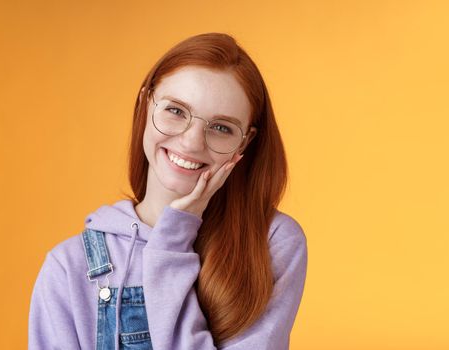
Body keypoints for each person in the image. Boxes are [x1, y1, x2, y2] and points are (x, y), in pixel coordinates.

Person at [28, 33, 308, 350]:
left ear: (244, 142)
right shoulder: (69, 267)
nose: (191, 142)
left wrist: (173, 239)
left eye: (221, 127)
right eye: (176, 111)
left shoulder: (272, 242)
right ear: (146, 103)